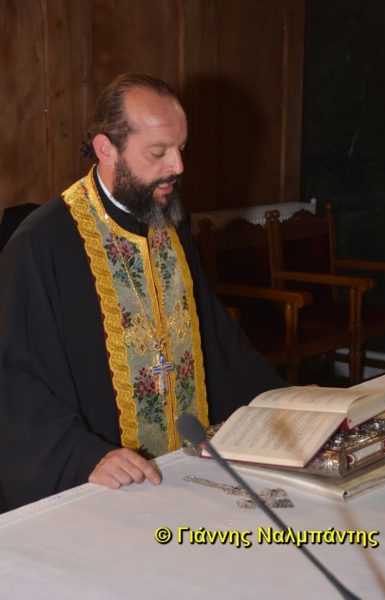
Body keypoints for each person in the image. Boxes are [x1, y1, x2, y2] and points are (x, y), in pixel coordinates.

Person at [0, 73, 286, 512]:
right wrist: (84, 456)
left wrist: (280, 401)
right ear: (106, 148)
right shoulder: (42, 244)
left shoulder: (168, 220)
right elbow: (16, 382)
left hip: (186, 466)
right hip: (108, 484)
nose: (178, 166)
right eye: (158, 152)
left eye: (181, 148)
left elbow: (212, 334)